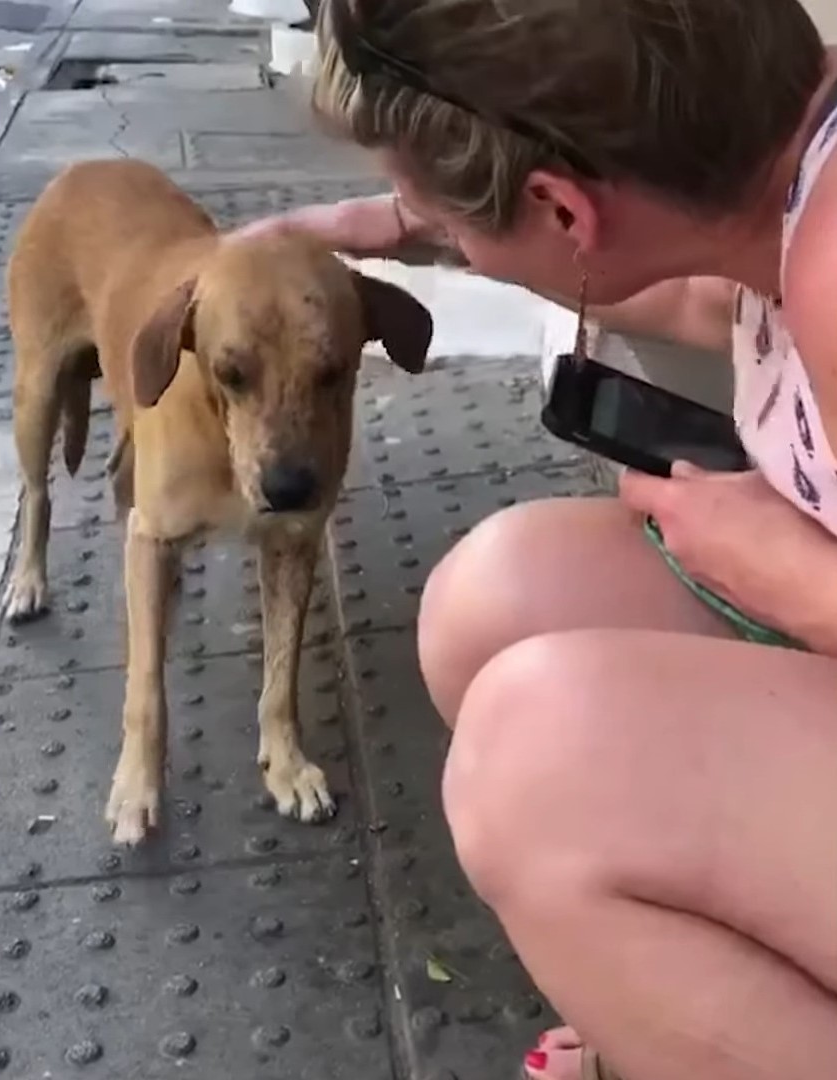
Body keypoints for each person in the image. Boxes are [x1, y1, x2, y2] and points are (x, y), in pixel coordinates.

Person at [237, 2, 837, 1078]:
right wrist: (423, 230)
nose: (439, 233)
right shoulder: (785, 182)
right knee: (496, 604)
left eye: (452, 219)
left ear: (564, 208)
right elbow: (709, 301)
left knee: (534, 769)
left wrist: (791, 576)